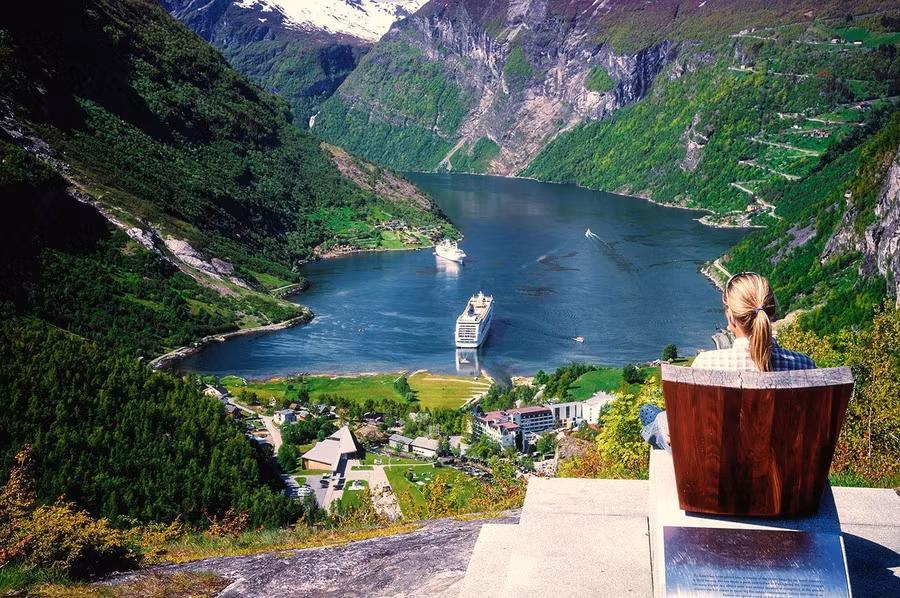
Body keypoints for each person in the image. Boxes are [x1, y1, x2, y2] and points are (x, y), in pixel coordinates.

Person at [640, 272, 816, 452]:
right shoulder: (806, 366)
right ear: (772, 313)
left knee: (656, 418)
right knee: (660, 418)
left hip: (718, 473)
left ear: (731, 317)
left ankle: (657, 423)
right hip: (785, 474)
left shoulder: (705, 365)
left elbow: (691, 427)